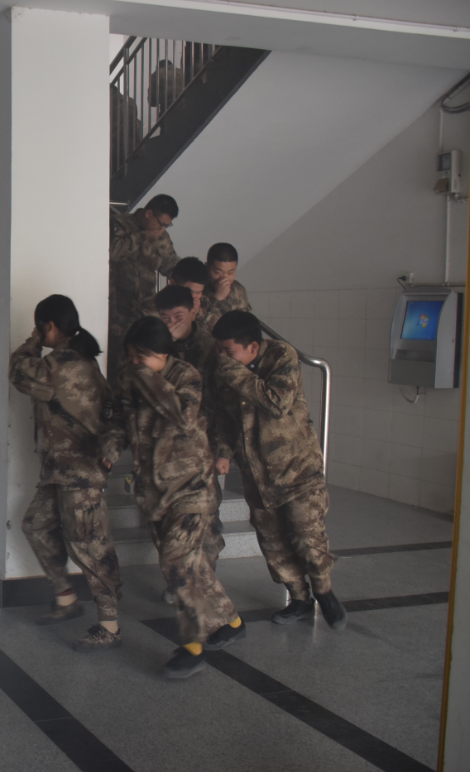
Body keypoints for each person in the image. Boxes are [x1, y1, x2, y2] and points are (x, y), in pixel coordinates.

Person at [102, 317, 244, 679]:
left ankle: (193, 647)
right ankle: (231, 621)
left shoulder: (186, 376)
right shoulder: (128, 376)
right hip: (153, 489)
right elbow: (119, 419)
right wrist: (111, 448)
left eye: (142, 356)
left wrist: (146, 377)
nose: (135, 363)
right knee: (192, 564)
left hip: (191, 487)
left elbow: (182, 416)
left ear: (163, 353)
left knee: (176, 563)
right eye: (131, 355)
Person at [210, 311, 346, 630]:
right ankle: (299, 598)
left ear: (253, 347)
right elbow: (222, 419)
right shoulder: (227, 369)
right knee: (273, 542)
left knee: (307, 535)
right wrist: (224, 453)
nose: (223, 358)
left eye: (229, 351)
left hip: (297, 470)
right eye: (221, 351)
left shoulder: (282, 356)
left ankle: (323, 590)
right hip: (257, 475)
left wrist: (234, 373)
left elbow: (277, 402)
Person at [10, 295, 124, 652]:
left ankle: (110, 625)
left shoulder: (64, 363)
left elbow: (19, 372)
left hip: (80, 473)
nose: (38, 334)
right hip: (61, 470)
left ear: (50, 327)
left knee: (88, 546)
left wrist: (31, 341)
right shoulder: (74, 359)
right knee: (36, 525)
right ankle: (65, 598)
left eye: (40, 328)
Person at [155, 285, 224, 566]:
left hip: (202, 444)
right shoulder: (155, 349)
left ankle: (206, 578)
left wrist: (223, 450)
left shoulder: (210, 348)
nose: (171, 323)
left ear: (193, 312)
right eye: (164, 317)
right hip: (165, 445)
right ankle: (180, 578)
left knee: (206, 519)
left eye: (178, 316)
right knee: (167, 520)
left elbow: (223, 403)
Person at [108, 194, 179, 376]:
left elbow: (171, 266)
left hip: (146, 313)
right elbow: (111, 252)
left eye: (167, 226)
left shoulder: (161, 237)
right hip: (116, 313)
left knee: (145, 366)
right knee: (116, 365)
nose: (162, 230)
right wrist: (142, 237)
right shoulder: (119, 225)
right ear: (149, 213)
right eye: (161, 224)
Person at [201, 243, 252, 332]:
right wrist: (217, 299)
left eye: (230, 273)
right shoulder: (198, 290)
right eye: (218, 272)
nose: (224, 279)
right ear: (207, 267)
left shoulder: (238, 290)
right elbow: (201, 332)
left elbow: (245, 324)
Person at [140, 257, 212, 319]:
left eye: (198, 292)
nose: (193, 297)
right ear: (172, 283)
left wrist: (196, 315)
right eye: (189, 292)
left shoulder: (204, 304)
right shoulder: (146, 311)